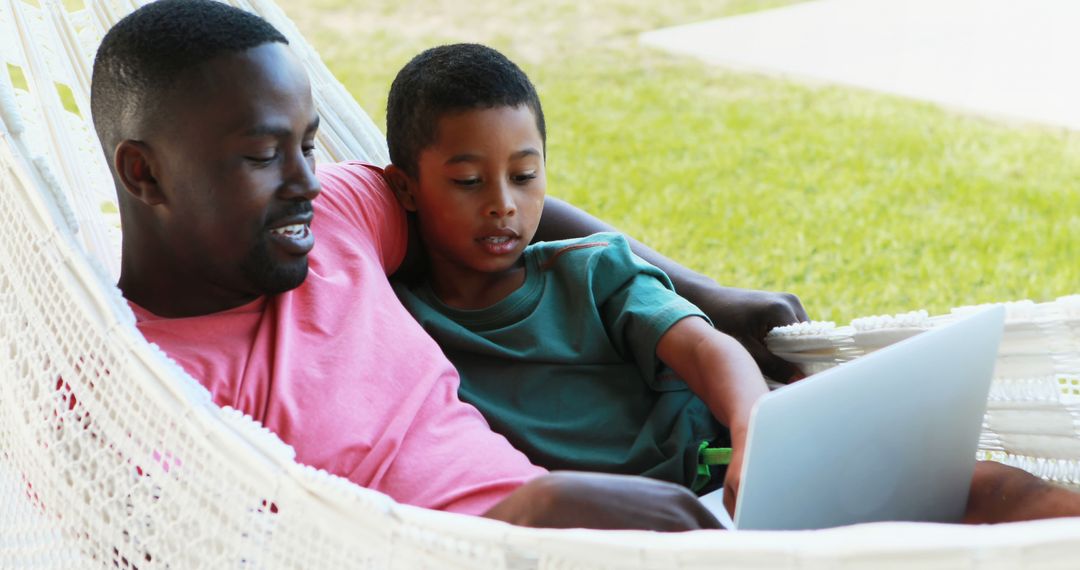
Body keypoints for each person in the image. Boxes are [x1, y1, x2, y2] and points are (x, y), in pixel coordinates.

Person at [88, 0, 1080, 531]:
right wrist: (535, 511)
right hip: (500, 544)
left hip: (640, 512)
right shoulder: (136, 386)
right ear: (145, 173)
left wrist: (699, 288)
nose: (311, 178)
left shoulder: (332, 218)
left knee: (983, 489)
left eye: (313, 142)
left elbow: (499, 205)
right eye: (269, 156)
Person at [386, 43, 767, 513]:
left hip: (717, 478)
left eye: (524, 175)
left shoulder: (590, 271)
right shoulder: (401, 324)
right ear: (405, 188)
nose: (503, 203)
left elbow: (705, 348)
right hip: (594, 532)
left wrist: (754, 431)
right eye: (468, 181)